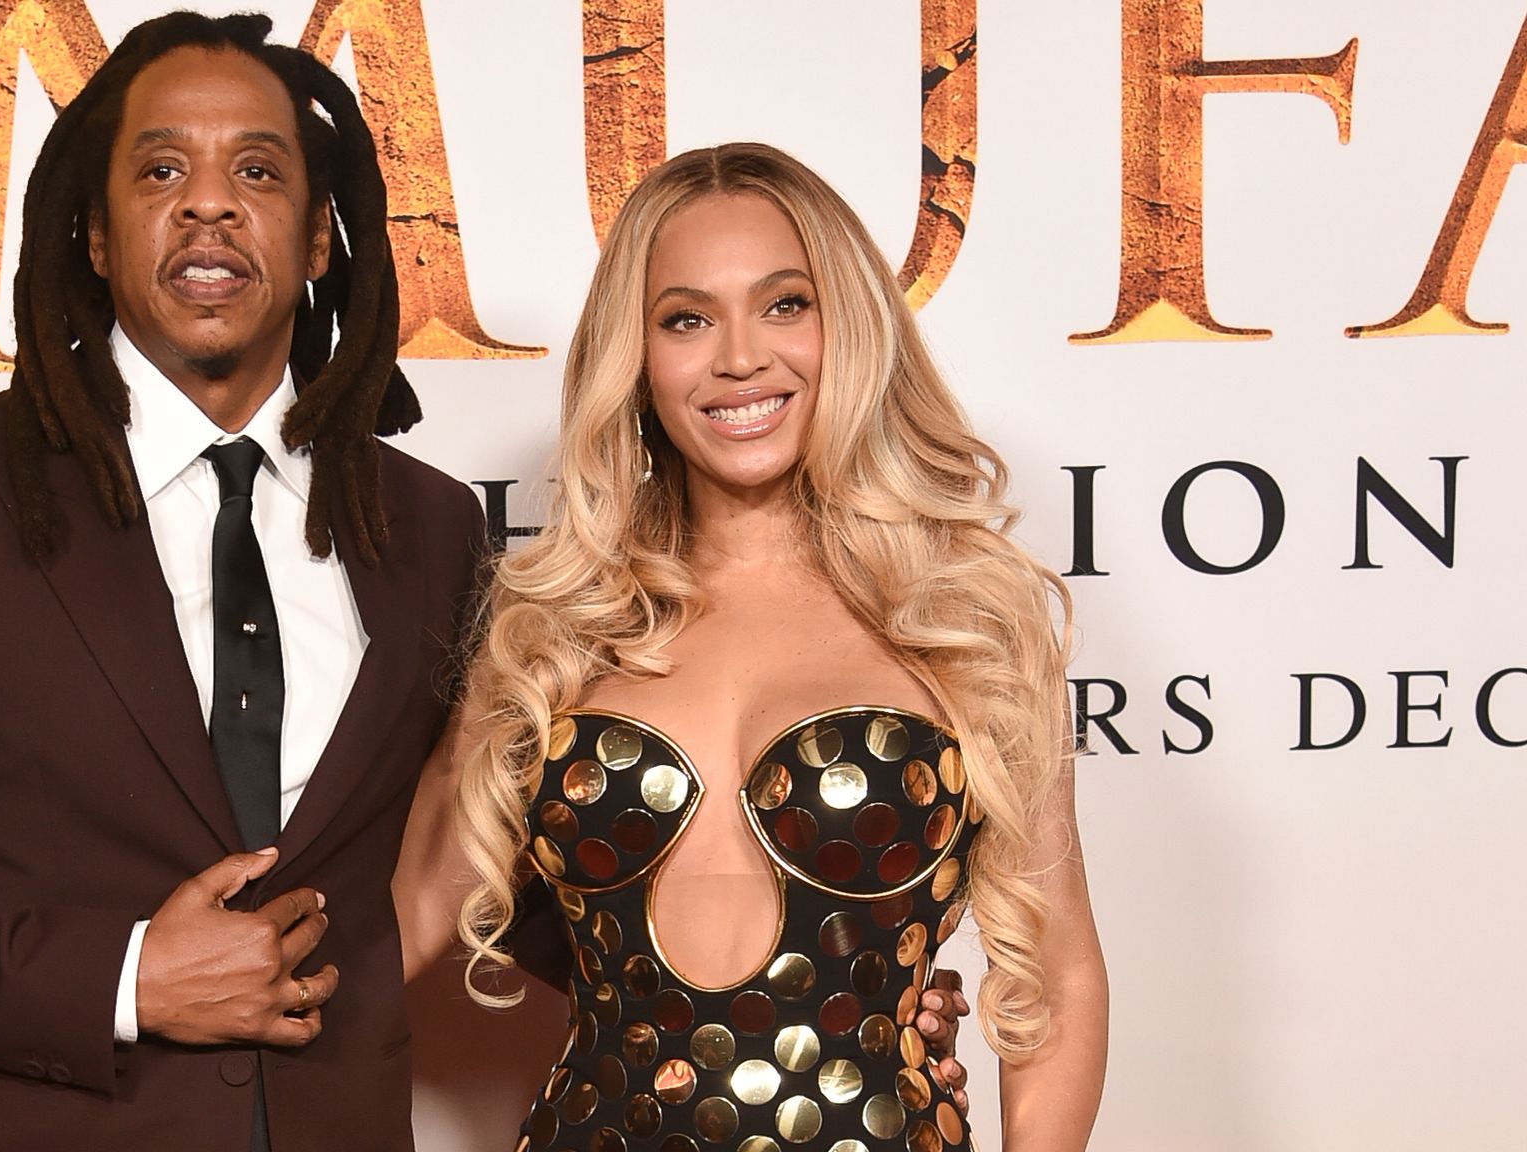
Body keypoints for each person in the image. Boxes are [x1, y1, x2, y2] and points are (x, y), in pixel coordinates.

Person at [0, 13, 489, 1151]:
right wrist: (124, 979)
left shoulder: (429, 523)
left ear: (322, 236)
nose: (209, 203)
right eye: (161, 168)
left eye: (258, 169)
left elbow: (483, 851)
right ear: (90, 233)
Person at [396, 143, 1107, 1150]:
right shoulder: (553, 624)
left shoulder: (967, 616)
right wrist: (137, 989)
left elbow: (1061, 972)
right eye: (685, 319)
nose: (739, 356)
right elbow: (405, 921)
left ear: (848, 325)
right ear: (635, 358)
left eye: (784, 304)